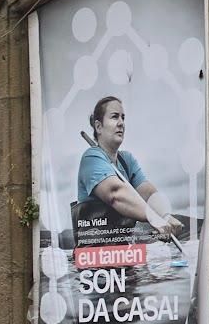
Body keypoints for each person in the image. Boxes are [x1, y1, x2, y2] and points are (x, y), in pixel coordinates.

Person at [77, 96, 182, 237]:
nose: (121, 123)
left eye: (123, 117)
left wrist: (165, 215)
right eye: (114, 117)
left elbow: (148, 193)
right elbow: (115, 194)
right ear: (98, 127)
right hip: (96, 254)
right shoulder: (91, 158)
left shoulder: (126, 160)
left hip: (124, 253)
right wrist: (154, 218)